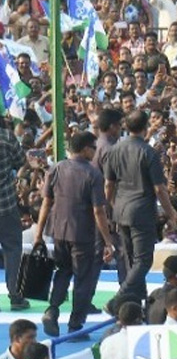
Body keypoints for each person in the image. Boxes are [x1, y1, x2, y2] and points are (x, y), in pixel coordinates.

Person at [31, 132, 116, 336]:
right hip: (82, 234)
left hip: (58, 230)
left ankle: (52, 310)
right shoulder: (93, 174)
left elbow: (46, 203)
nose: (95, 151)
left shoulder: (56, 168)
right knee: (83, 279)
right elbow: (98, 210)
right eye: (93, 148)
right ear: (86, 148)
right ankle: (75, 324)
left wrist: (38, 234)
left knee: (62, 272)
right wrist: (108, 241)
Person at [104, 110, 177, 309]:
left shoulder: (115, 150)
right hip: (142, 212)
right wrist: (171, 213)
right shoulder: (148, 152)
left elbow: (108, 185)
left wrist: (110, 207)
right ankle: (119, 298)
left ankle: (137, 302)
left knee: (131, 260)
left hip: (120, 211)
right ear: (146, 127)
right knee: (143, 261)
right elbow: (159, 188)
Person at [0, 117, 26, 311]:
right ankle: (15, 294)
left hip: (7, 205)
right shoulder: (7, 138)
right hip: (6, 205)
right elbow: (21, 161)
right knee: (13, 250)